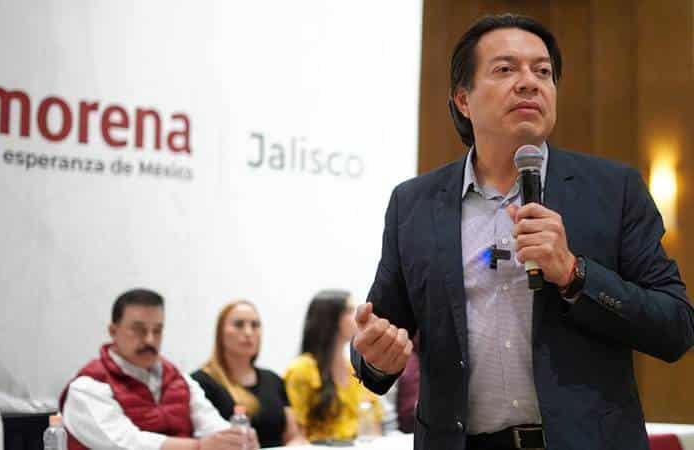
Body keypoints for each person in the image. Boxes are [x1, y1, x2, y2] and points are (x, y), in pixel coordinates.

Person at [351, 13, 694, 450]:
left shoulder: (613, 191)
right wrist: (374, 358)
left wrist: (574, 274)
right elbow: (381, 331)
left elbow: (675, 328)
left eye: (543, 71)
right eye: (506, 69)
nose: (530, 82)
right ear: (463, 100)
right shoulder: (414, 204)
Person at [60, 289, 259, 450]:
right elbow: (123, 443)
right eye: (138, 330)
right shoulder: (87, 387)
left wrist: (236, 439)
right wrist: (198, 447)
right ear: (113, 331)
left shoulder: (178, 379)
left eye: (157, 330)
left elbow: (209, 424)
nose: (149, 340)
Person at [191, 300, 306, 447]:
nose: (248, 332)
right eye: (239, 324)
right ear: (220, 333)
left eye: (255, 325)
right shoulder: (200, 383)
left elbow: (294, 436)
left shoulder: (273, 380)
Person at [284, 290, 383, 443]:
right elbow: (296, 435)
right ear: (330, 318)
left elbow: (374, 428)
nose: (358, 317)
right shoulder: (301, 370)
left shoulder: (356, 369)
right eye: (350, 311)